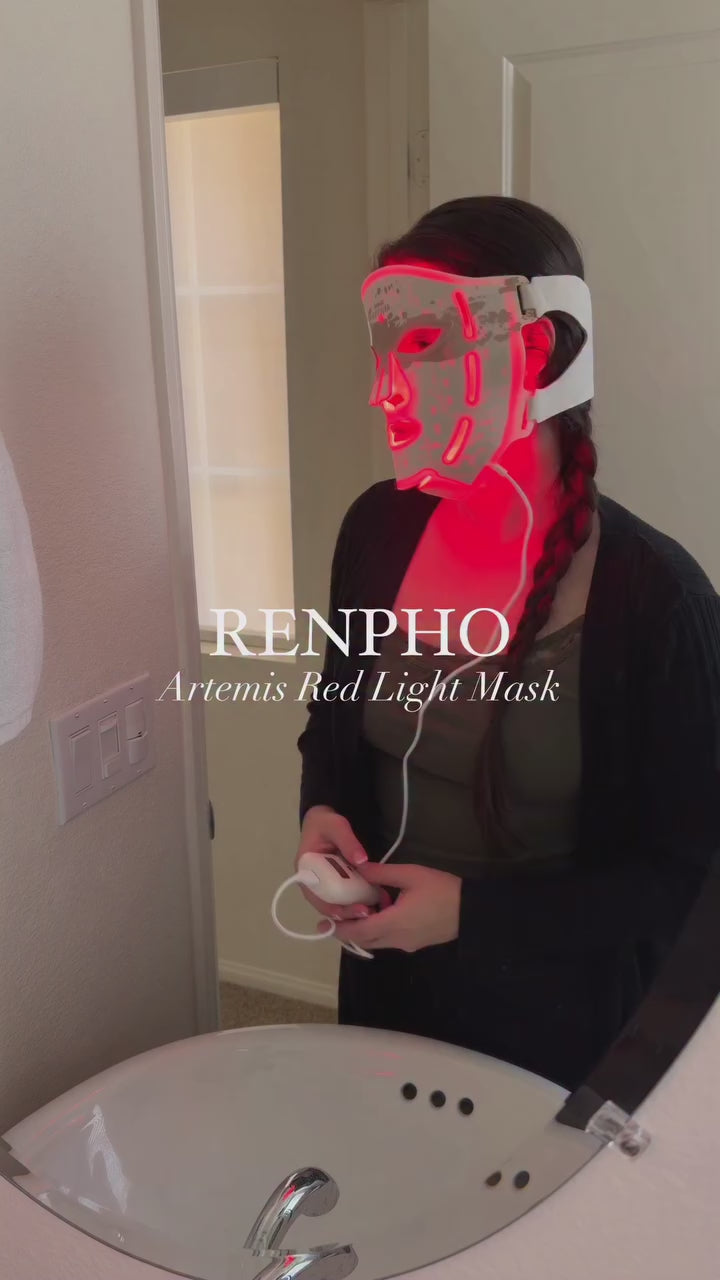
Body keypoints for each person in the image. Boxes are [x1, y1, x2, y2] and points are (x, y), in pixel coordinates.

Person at [295, 196, 720, 1090]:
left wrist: (472, 916)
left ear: (535, 350)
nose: (384, 391)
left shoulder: (660, 601)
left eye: (422, 346)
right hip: (386, 990)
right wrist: (321, 809)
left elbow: (685, 878)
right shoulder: (375, 529)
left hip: (560, 1029)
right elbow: (332, 713)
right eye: (384, 353)